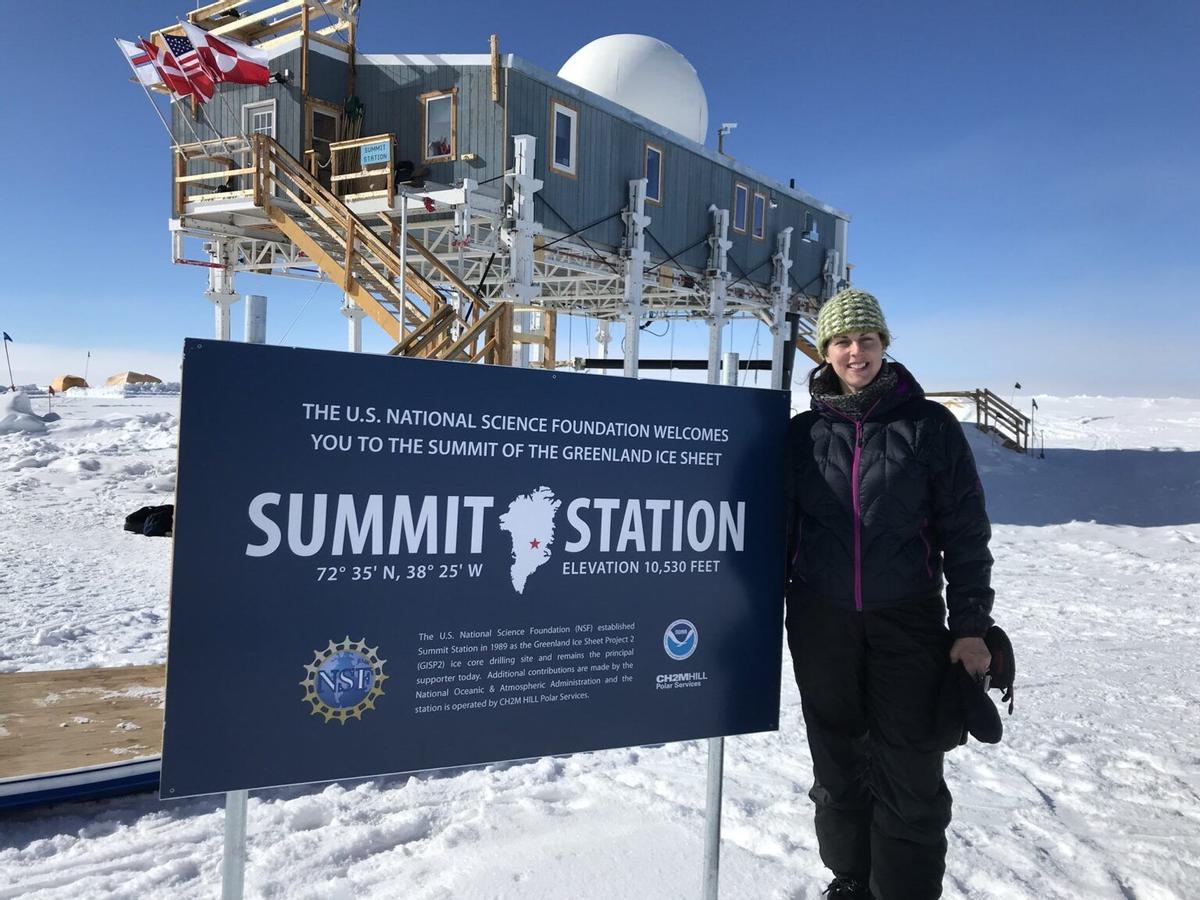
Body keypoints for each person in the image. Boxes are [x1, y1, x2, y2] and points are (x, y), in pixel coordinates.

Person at [784, 288, 994, 900]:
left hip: (909, 621)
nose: (856, 352)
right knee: (837, 760)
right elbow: (776, 528)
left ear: (884, 346)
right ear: (825, 352)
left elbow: (965, 530)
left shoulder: (930, 427)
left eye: (867, 340)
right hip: (821, 620)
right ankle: (850, 879)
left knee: (910, 763)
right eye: (844, 341)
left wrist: (972, 625)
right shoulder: (802, 436)